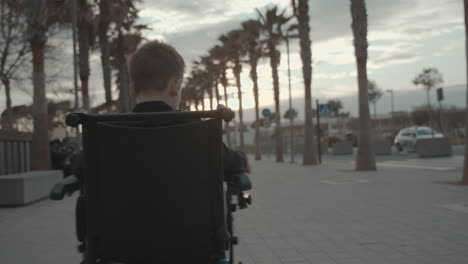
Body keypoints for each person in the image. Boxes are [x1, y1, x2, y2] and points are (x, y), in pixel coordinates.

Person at [73, 40, 249, 180]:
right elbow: (234, 164)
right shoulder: (195, 128)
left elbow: (77, 166)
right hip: (190, 224)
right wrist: (242, 158)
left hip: (121, 225)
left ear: (132, 90)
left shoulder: (108, 132)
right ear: (175, 86)